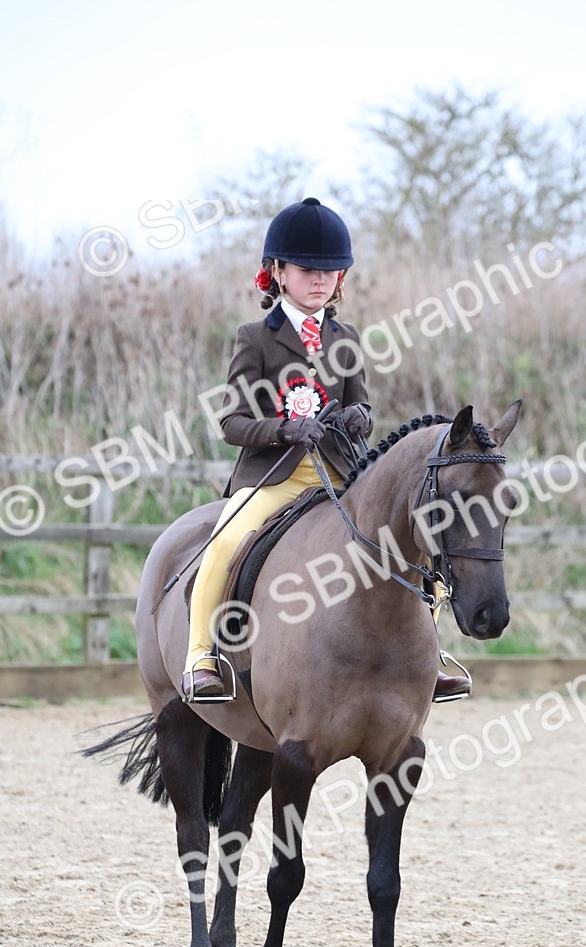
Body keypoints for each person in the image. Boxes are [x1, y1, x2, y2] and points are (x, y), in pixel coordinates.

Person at [182, 196, 470, 703]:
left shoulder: (347, 337)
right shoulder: (256, 338)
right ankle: (202, 657)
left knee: (417, 540)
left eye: (331, 271)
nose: (320, 279)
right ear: (278, 271)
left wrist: (359, 418)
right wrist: (284, 430)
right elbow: (231, 422)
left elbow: (362, 406)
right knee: (225, 542)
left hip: (340, 475)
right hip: (275, 478)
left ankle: (431, 653)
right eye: (307, 269)